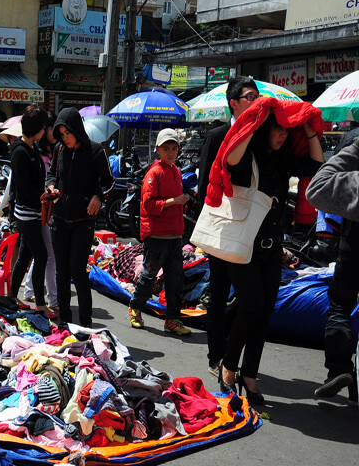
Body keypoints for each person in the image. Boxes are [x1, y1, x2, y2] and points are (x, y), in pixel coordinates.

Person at [212, 107, 323, 404]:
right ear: (264, 129)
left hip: (272, 249)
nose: (283, 134)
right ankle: (228, 366)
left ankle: (250, 374)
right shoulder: (248, 155)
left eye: (287, 130)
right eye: (278, 128)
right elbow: (230, 159)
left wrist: (309, 128)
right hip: (242, 245)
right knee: (251, 306)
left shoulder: (283, 157)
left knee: (264, 314)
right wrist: (253, 122)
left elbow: (316, 163)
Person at [200, 76, 261, 377]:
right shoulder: (217, 136)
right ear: (234, 103)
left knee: (250, 296)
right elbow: (203, 188)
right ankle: (217, 356)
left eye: (258, 95)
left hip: (251, 229)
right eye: (250, 96)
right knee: (219, 290)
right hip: (223, 226)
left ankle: (231, 352)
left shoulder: (260, 136)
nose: (256, 100)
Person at [47, 107, 114, 327]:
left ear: (77, 129)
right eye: (62, 134)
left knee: (78, 270)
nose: (65, 138)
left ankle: (85, 324)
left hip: (83, 222)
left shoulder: (96, 151)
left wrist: (98, 196)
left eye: (68, 133)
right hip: (59, 220)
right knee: (62, 272)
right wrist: (51, 186)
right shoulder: (58, 150)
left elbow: (109, 181)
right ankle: (64, 323)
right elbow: (52, 175)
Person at [306, 133, 359, 406]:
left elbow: (319, 187)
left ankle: (339, 368)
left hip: (352, 244)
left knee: (340, 305)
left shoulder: (353, 141)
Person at [128, 129, 192, 336]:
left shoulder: (176, 171)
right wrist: (175, 201)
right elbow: (148, 204)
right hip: (156, 236)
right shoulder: (154, 173)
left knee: (176, 280)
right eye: (166, 148)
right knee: (148, 276)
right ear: (157, 150)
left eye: (174, 148)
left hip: (175, 235)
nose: (171, 152)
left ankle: (172, 320)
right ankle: (135, 308)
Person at [9, 104, 52, 316]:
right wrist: (43, 197)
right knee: (41, 255)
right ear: (35, 128)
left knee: (25, 255)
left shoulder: (32, 148)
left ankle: (11, 296)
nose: (45, 132)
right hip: (26, 213)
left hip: (33, 211)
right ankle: (41, 304)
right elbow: (23, 187)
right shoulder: (20, 151)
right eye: (43, 128)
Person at [24, 111, 59, 312]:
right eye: (51, 128)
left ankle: (30, 291)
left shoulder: (55, 151)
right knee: (47, 254)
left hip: (45, 208)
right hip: (36, 210)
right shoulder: (32, 151)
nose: (51, 131)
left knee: (42, 254)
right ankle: (50, 300)